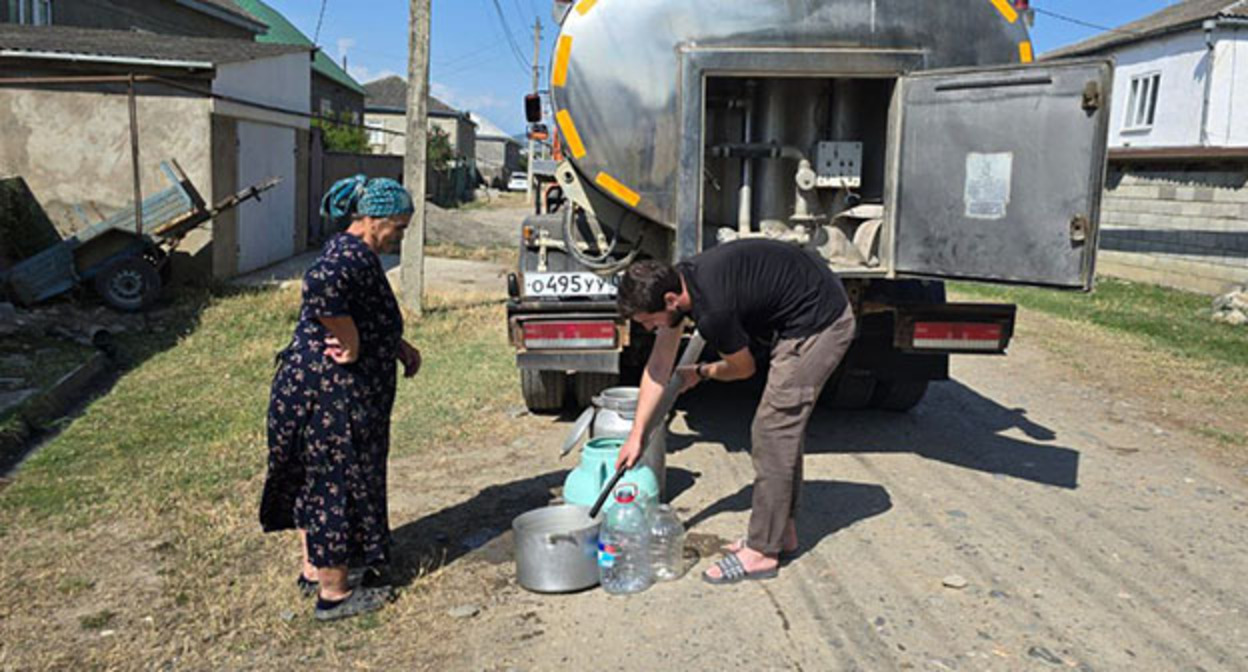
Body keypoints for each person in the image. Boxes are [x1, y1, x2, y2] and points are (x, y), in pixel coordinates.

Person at [615, 239, 855, 585]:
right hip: (802, 304)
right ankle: (781, 533)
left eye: (649, 321)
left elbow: (743, 369)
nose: (647, 329)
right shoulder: (679, 284)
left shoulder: (714, 311)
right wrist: (636, 436)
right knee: (779, 430)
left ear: (670, 301)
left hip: (823, 322)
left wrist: (701, 372)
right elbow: (659, 365)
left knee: (773, 430)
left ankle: (762, 552)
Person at [259, 175, 422, 621]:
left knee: (317, 479)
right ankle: (334, 595)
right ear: (372, 219)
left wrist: (396, 346)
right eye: (399, 227)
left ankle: (315, 569)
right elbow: (321, 286)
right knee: (337, 483)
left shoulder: (355, 252)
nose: (400, 236)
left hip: (320, 391)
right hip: (329, 396)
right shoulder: (346, 257)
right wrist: (349, 341)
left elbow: (363, 310)